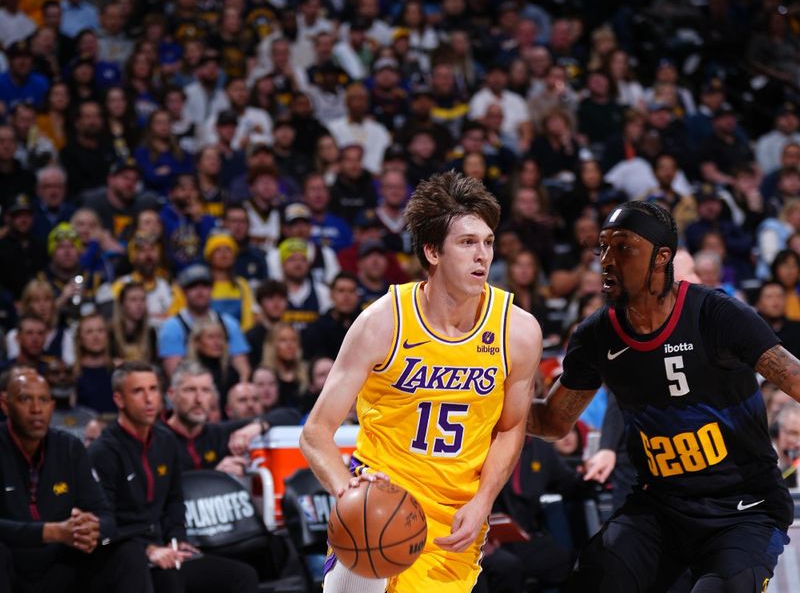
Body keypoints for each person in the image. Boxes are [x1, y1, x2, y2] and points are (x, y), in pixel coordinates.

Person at [528, 200, 797, 592]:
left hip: (744, 509)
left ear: (661, 257)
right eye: (602, 247)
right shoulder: (596, 336)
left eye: (623, 247)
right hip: (660, 507)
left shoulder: (716, 315)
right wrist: (482, 403)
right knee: (593, 579)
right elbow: (553, 421)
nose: (607, 259)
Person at [300, 171, 543, 592]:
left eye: (487, 242)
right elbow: (315, 433)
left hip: (455, 522)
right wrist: (348, 494)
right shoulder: (382, 322)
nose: (482, 255)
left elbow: (510, 428)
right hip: (381, 502)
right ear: (432, 251)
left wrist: (484, 501)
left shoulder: (517, 331)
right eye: (467, 243)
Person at [87, 361, 260, 593]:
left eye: (153, 389)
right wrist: (148, 550)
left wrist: (176, 539)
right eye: (138, 391)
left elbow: (174, 500)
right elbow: (102, 521)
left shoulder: (165, 441)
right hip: (123, 553)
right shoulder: (103, 451)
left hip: (165, 547)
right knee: (170, 579)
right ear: (119, 400)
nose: (148, 399)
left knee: (243, 576)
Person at [0, 368, 149, 593]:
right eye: (24, 399)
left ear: (52, 405)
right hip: (12, 566)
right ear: (5, 404)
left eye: (43, 400)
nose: (36, 409)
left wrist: (90, 529)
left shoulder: (69, 447)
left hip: (58, 566)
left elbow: (105, 516)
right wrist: (52, 532)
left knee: (128, 552)